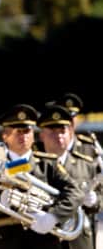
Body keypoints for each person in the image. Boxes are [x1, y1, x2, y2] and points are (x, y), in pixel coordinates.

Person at [0, 104, 83, 249]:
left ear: (33, 135)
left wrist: (53, 216)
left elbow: (75, 192)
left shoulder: (48, 164)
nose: (23, 136)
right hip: (7, 243)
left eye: (27, 131)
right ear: (5, 135)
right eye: (17, 131)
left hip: (45, 242)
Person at [37, 104, 101, 249]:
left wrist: (96, 200)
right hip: (44, 240)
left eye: (63, 131)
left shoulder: (85, 164)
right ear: (41, 135)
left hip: (79, 240)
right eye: (52, 131)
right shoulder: (35, 165)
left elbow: (101, 196)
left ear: (71, 133)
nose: (59, 136)